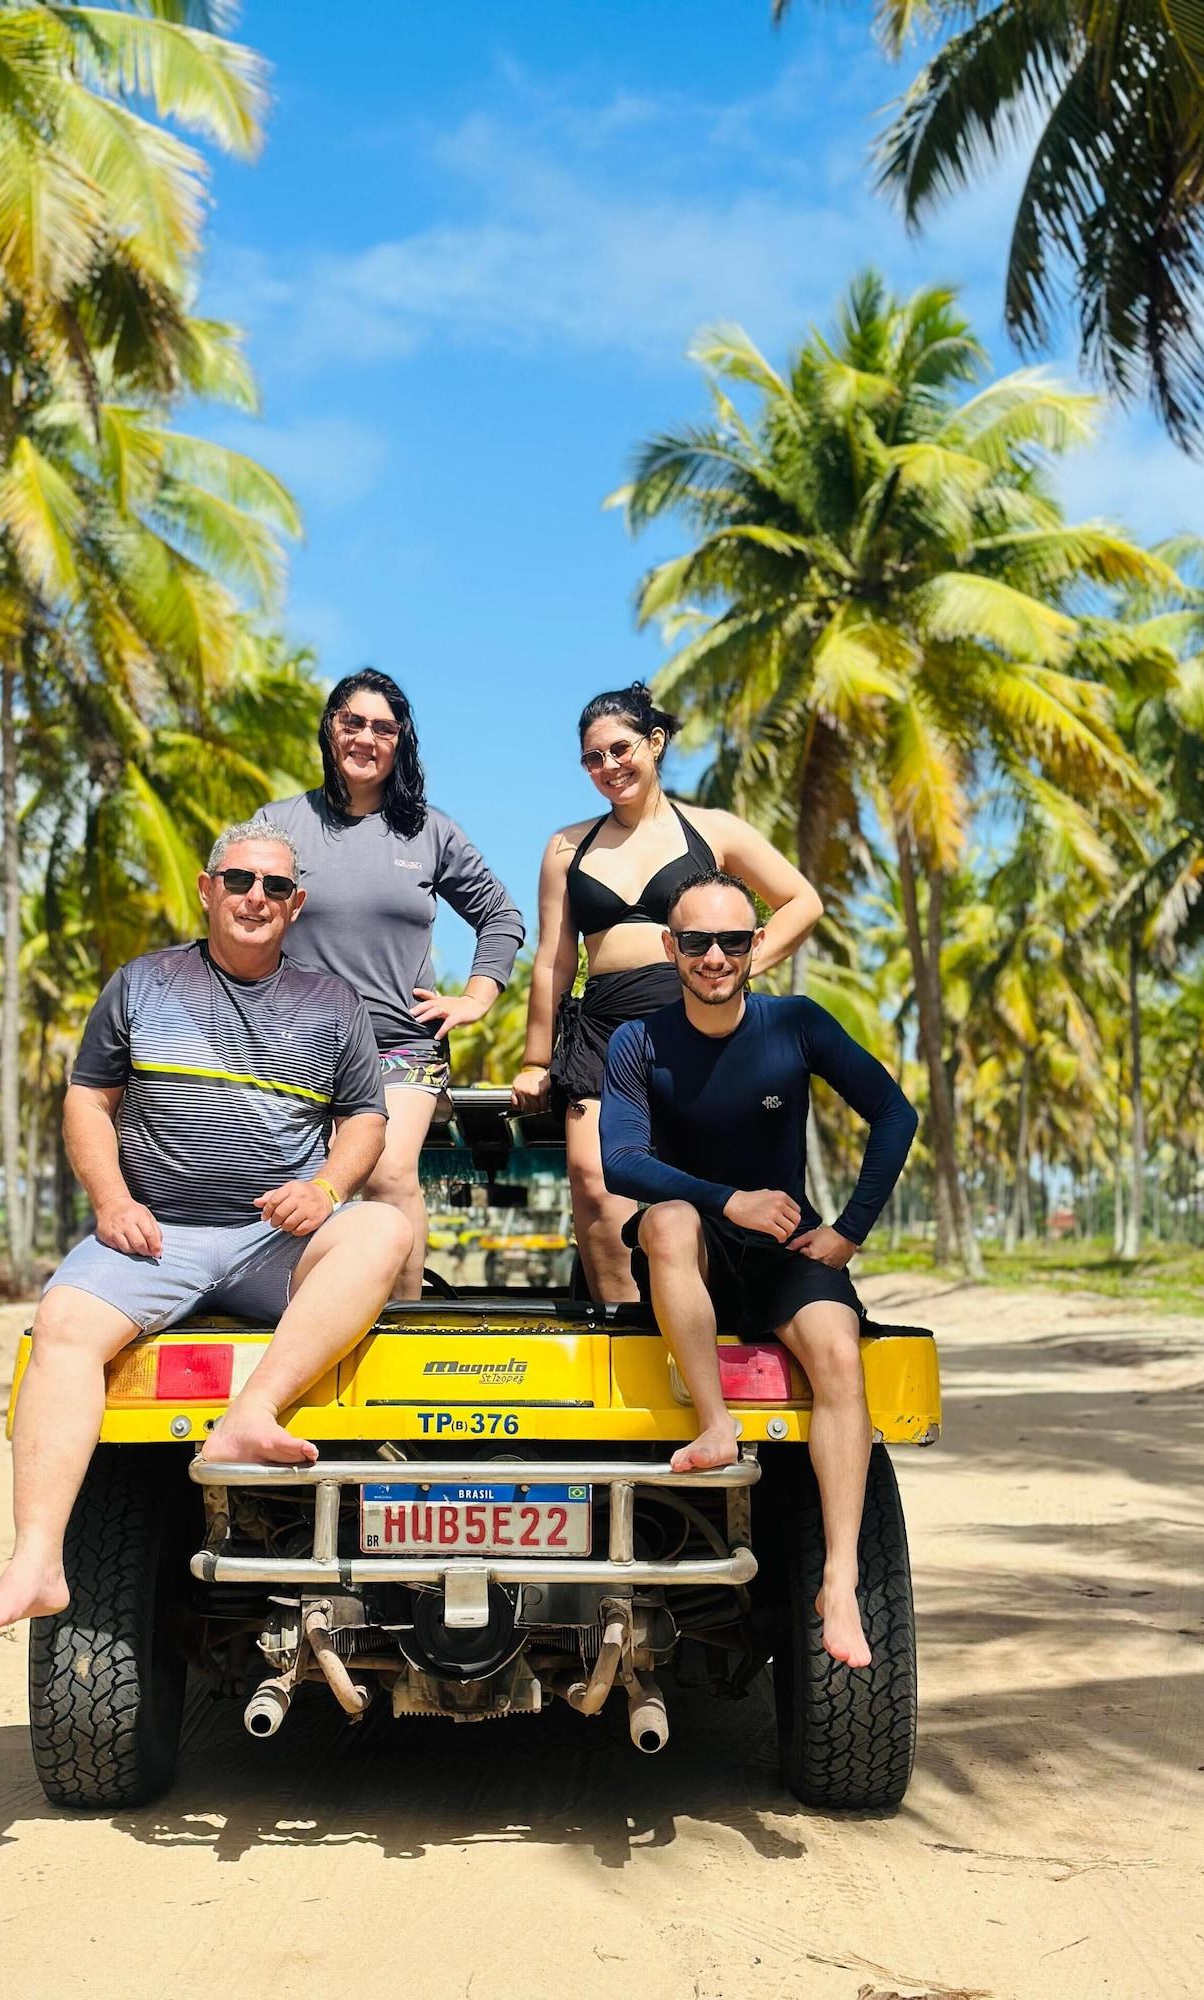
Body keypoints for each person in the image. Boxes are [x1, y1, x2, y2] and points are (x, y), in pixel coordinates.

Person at [0, 817, 412, 1636]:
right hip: (156, 1237)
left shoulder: (332, 1002)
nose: (254, 898)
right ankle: (36, 1559)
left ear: (296, 903)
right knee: (62, 1326)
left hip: (276, 1245)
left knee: (380, 1229)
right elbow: (88, 1099)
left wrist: (324, 1185)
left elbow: (365, 1121)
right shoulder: (143, 982)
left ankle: (254, 1414)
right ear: (207, 889)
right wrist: (111, 1202)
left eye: (275, 887)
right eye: (238, 881)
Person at [598, 868, 916, 1668]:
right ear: (672, 948)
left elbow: (893, 1113)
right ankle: (715, 1425)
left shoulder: (794, 1024)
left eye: (731, 941)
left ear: (756, 946)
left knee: (840, 1355)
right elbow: (621, 1163)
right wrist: (726, 1199)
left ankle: (838, 1579)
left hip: (785, 1248)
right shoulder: (639, 1041)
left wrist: (849, 1230)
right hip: (694, 1248)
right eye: (697, 941)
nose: (714, 956)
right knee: (666, 1222)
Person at [512, 681, 822, 1301]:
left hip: (693, 1019)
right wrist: (535, 1058)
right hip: (601, 1024)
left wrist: (732, 972)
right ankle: (621, 1341)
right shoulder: (565, 846)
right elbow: (551, 959)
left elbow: (802, 902)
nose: (608, 767)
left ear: (654, 744)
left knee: (698, 1177)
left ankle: (700, 1330)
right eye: (592, 759)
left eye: (620, 749)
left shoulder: (713, 830)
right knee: (594, 1180)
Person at [267, 671, 524, 1298]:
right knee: (303, 1181)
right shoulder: (280, 824)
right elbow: (240, 908)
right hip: (296, 1044)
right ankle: (309, 1323)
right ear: (330, 729)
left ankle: (403, 1331)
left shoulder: (429, 831)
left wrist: (476, 999)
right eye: (352, 722)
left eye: (383, 728)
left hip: (400, 1044)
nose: (365, 738)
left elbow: (501, 916)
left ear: (401, 742)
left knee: (384, 1173)